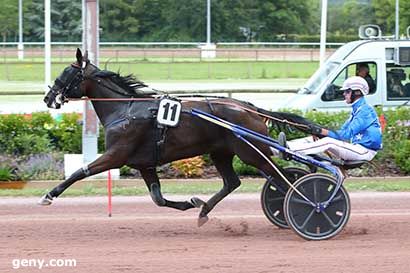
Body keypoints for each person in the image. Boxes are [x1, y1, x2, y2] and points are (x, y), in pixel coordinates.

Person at [279, 76, 382, 164]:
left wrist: (322, 131)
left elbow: (346, 135)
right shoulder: (357, 110)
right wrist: (320, 132)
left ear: (357, 92)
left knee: (328, 142)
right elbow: (341, 133)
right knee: (317, 139)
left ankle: (290, 150)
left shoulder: (365, 111)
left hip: (364, 151)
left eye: (347, 91)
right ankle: (281, 147)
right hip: (356, 147)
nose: (344, 94)